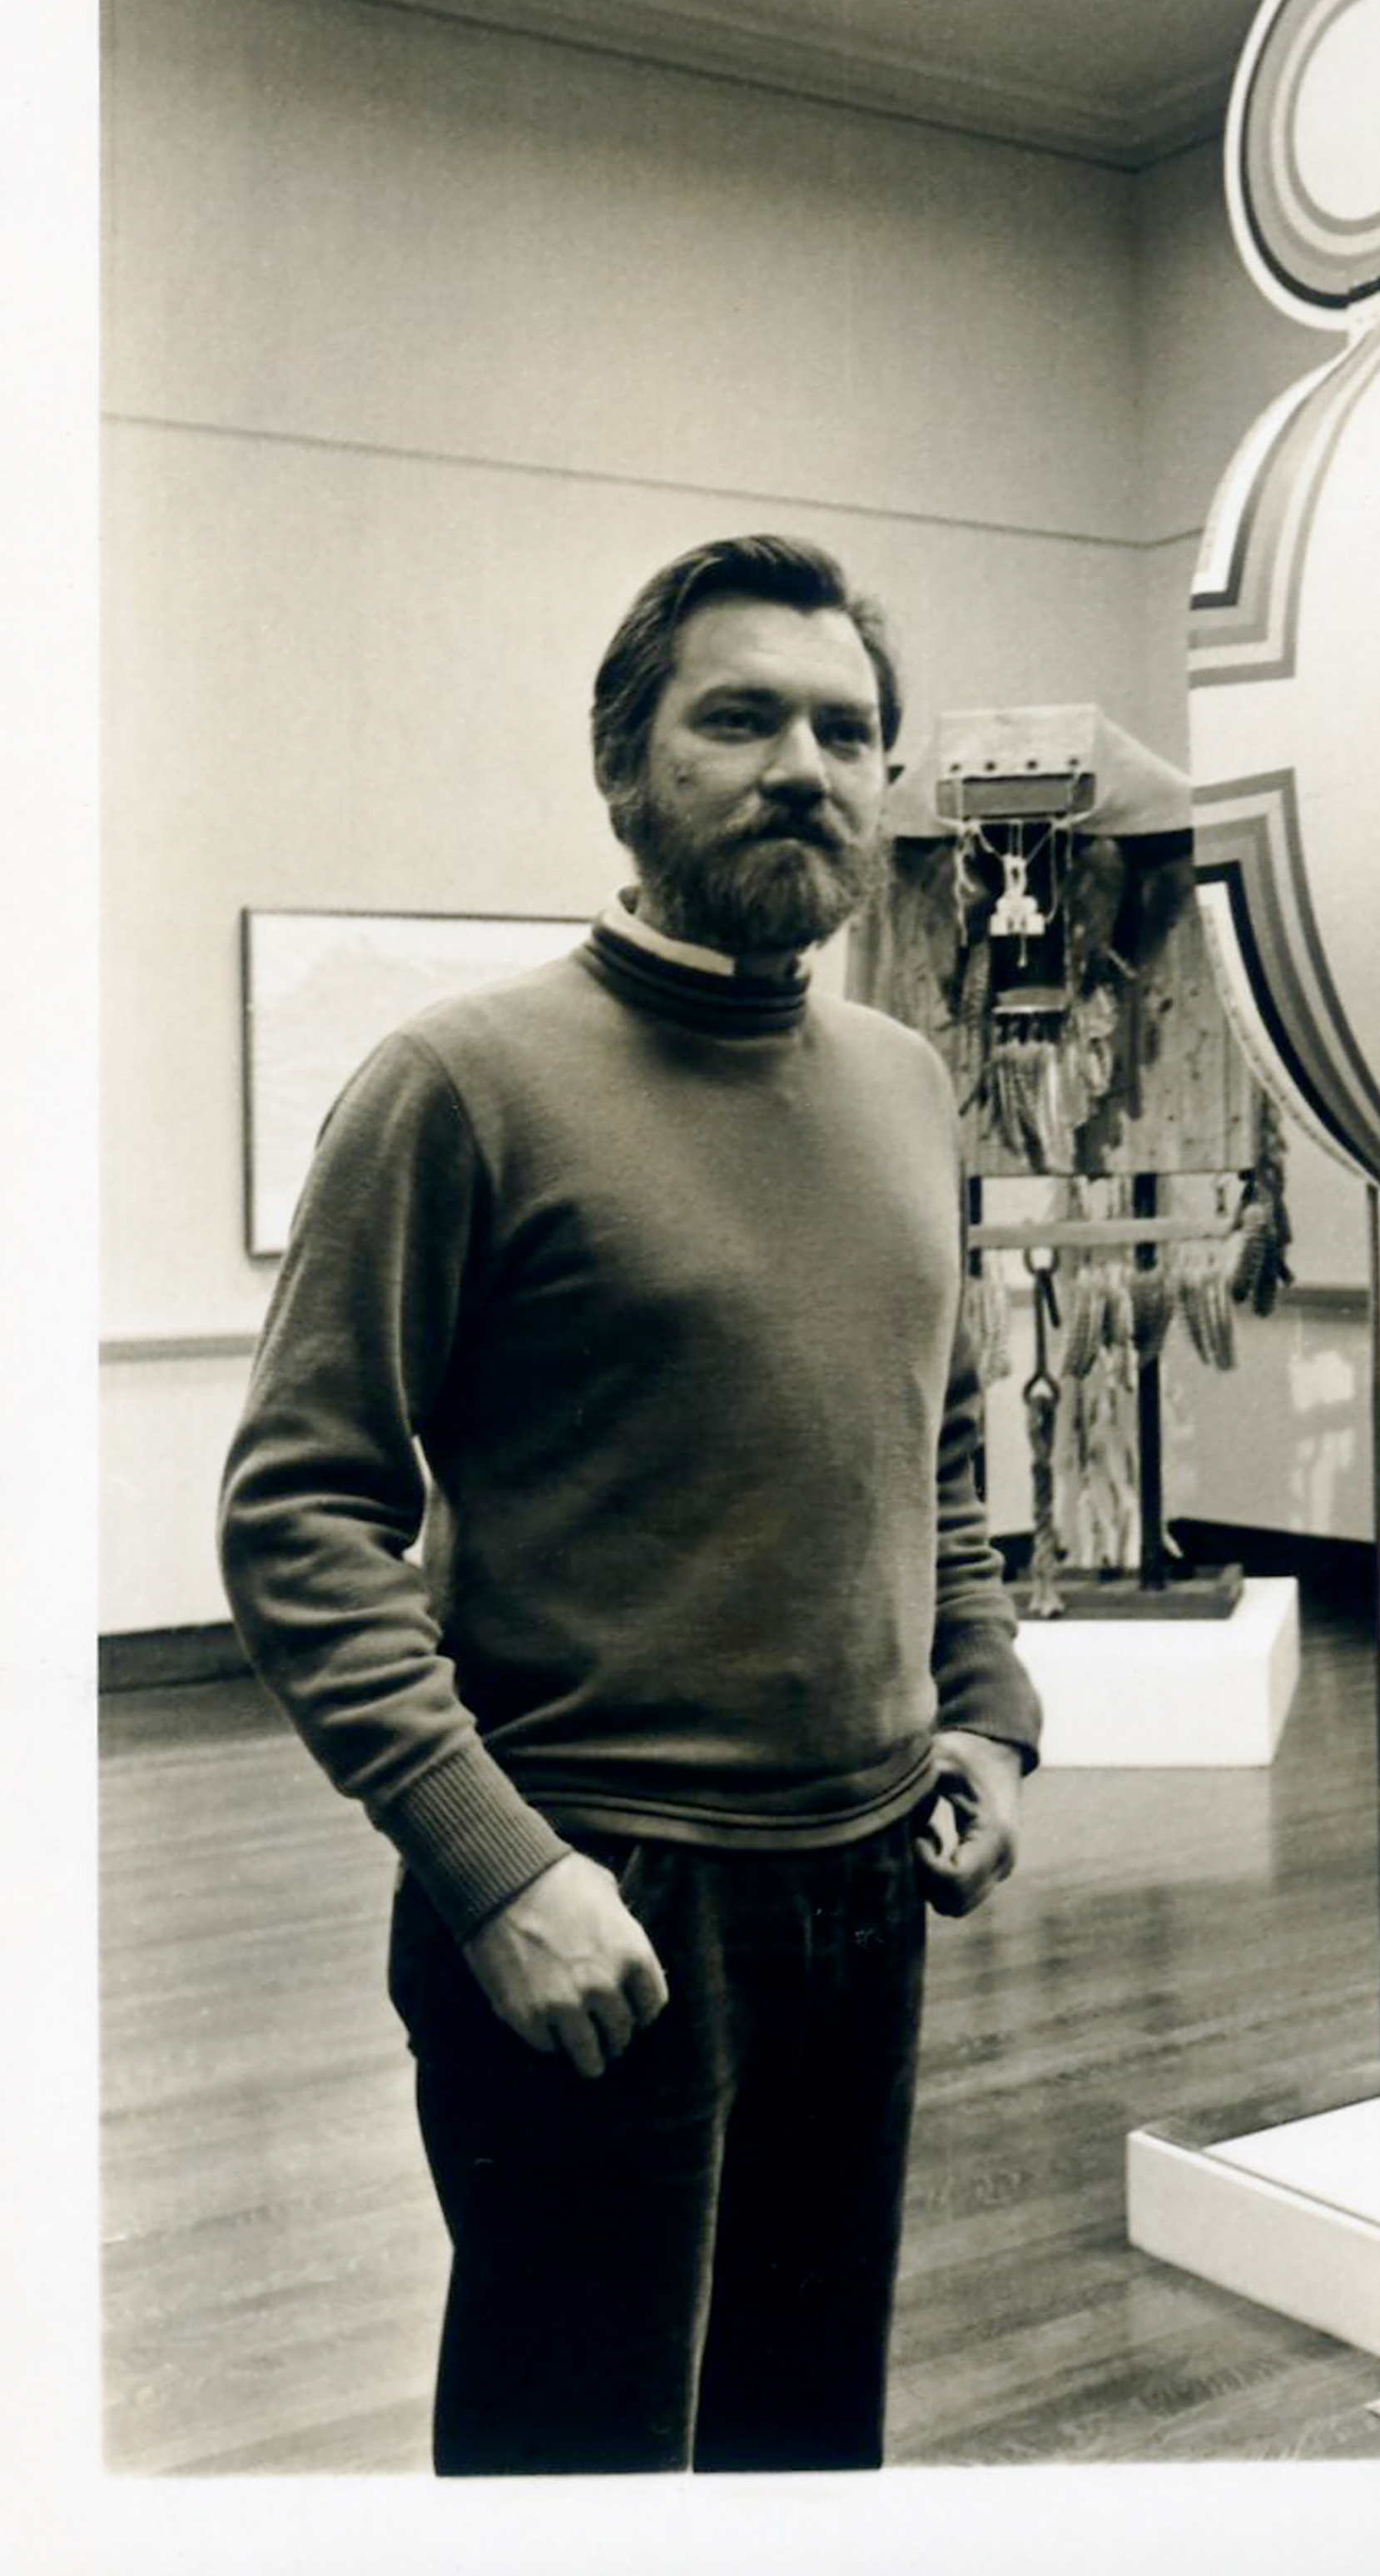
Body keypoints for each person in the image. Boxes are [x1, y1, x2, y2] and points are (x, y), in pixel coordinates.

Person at [220, 533, 1041, 2476]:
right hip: (597, 1897)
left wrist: (983, 1713)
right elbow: (297, 1508)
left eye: (845, 730)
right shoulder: (459, 1084)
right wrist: (491, 1868)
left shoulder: (908, 1084)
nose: (802, 766)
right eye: (736, 717)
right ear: (623, 769)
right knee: (565, 2453)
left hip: (866, 1885)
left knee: (797, 2431)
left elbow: (930, 1433)